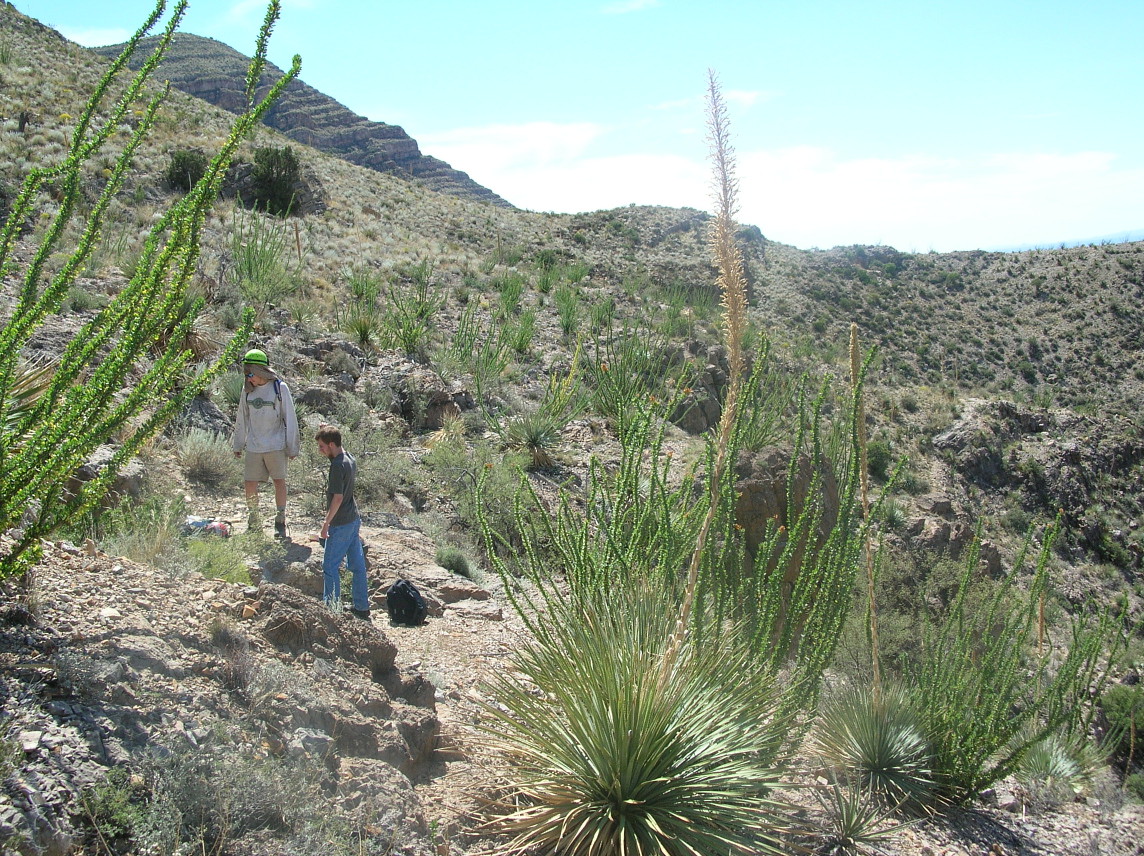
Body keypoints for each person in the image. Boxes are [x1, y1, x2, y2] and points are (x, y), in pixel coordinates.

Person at [231, 348, 299, 539]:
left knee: (279, 482)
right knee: (249, 483)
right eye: (246, 374)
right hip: (254, 446)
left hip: (276, 445)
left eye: (250, 373)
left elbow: (290, 418)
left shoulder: (280, 388)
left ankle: (280, 520)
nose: (249, 378)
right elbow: (242, 418)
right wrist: (238, 444)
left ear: (260, 371)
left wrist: (292, 447)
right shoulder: (247, 391)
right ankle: (254, 521)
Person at [316, 424, 370, 620]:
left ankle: (332, 610)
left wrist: (326, 523)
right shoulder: (349, 458)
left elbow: (337, 498)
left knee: (330, 567)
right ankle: (362, 607)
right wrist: (326, 428)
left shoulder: (337, 465)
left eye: (322, 446)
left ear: (331, 445)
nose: (320, 451)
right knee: (357, 565)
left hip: (340, 524)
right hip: (353, 519)